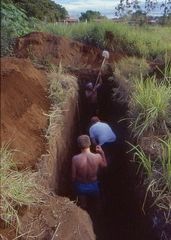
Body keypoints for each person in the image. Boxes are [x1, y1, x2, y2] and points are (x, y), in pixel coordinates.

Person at [72, 134, 107, 210]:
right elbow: (104, 165)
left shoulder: (75, 159)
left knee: (83, 205)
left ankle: (84, 218)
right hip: (94, 185)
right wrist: (102, 153)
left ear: (78, 145)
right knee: (97, 203)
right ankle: (97, 217)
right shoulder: (97, 157)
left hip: (81, 186)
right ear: (90, 144)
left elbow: (73, 176)